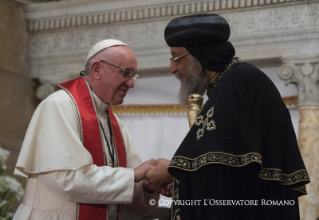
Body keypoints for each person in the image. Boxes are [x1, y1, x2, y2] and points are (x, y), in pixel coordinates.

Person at [145, 14, 310, 220]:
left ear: (199, 53)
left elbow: (227, 169)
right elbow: (224, 167)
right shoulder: (228, 84)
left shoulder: (240, 81)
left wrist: (173, 172)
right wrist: (180, 177)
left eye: (176, 57)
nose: (172, 68)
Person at [13, 39, 159, 220]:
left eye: (133, 76)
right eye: (125, 73)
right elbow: (65, 179)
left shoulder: (115, 124)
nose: (131, 83)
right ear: (97, 69)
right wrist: (134, 175)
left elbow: (123, 194)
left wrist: (144, 186)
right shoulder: (58, 105)